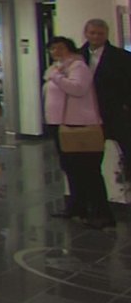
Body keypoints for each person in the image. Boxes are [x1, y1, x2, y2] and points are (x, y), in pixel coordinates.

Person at [44, 36, 114, 230]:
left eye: (60, 48)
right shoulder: (57, 68)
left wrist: (56, 77)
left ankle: (101, 213)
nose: (55, 52)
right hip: (60, 125)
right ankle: (77, 207)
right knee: (71, 169)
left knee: (88, 171)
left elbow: (78, 89)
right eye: (52, 49)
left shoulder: (78, 67)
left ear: (69, 48)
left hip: (78, 125)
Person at [80, 18, 131, 181]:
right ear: (86, 34)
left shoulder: (122, 57)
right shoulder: (77, 56)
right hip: (86, 115)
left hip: (115, 113)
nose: (96, 37)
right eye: (92, 33)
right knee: (90, 159)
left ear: (106, 35)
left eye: (100, 34)